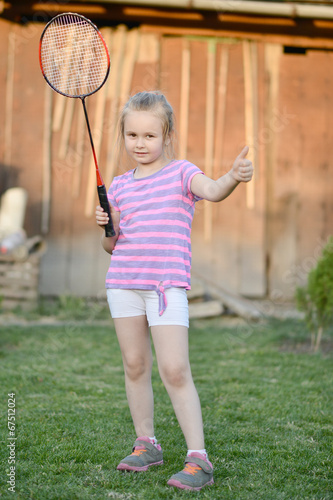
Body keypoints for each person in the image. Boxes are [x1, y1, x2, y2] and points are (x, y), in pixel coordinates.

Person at [96, 91, 253, 491]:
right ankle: (146, 443)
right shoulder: (117, 185)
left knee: (174, 370)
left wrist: (233, 176)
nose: (140, 144)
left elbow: (214, 190)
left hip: (166, 288)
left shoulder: (182, 173)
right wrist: (106, 226)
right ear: (124, 136)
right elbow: (111, 246)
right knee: (135, 366)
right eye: (132, 135)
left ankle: (198, 459)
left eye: (150, 135)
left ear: (167, 135)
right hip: (123, 285)